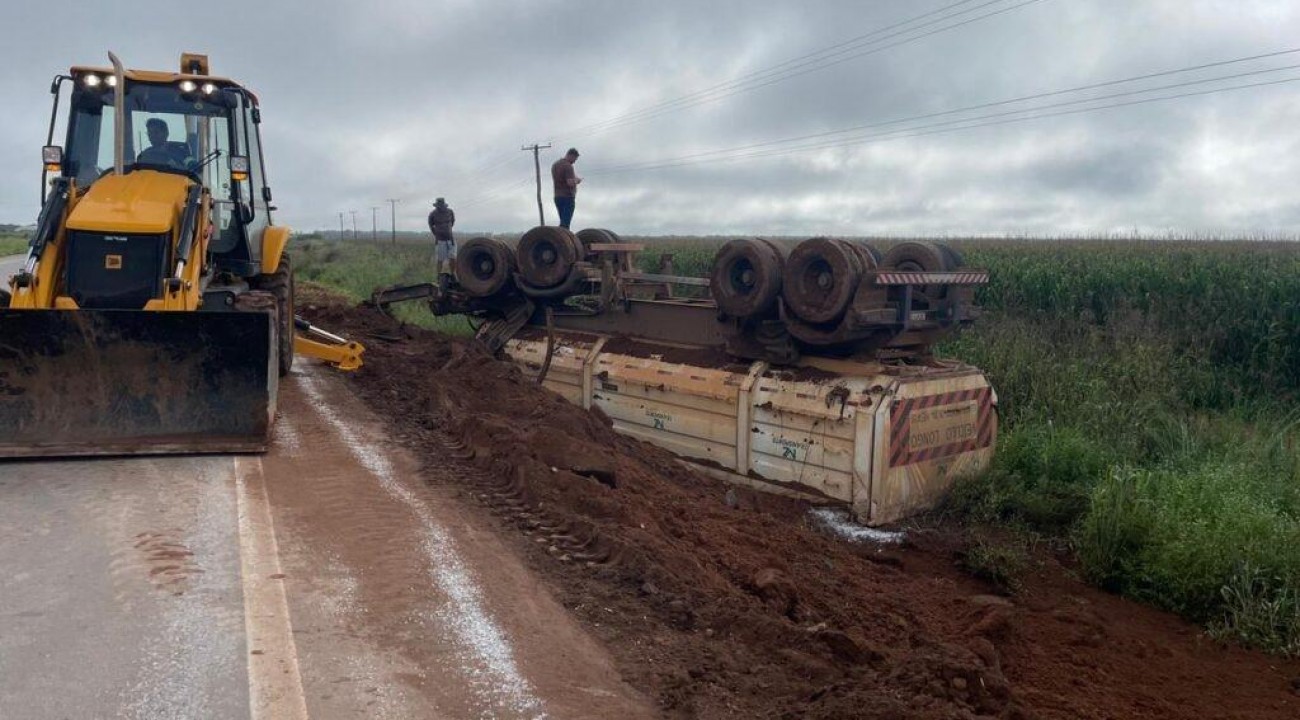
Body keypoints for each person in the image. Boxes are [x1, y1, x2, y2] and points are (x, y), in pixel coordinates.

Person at [428, 197, 456, 288]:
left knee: (453, 257)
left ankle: (453, 274)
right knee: (440, 260)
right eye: (438, 206)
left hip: (450, 238)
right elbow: (430, 225)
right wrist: (436, 233)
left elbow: (452, 222)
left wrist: (447, 229)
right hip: (440, 240)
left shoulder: (450, 212)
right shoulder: (433, 214)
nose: (440, 207)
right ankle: (439, 276)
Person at [550, 148, 582, 229]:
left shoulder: (555, 165)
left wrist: (574, 178)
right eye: (575, 159)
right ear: (571, 155)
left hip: (557, 197)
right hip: (567, 197)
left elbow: (562, 179)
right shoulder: (568, 166)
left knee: (563, 221)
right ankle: (560, 239)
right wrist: (577, 181)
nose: (574, 161)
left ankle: (559, 238)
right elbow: (570, 182)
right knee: (565, 224)